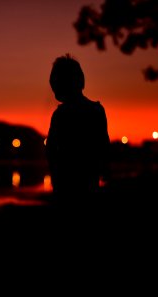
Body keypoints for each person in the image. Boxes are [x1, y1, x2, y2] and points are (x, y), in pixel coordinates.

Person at [45, 53, 110, 205]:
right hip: (89, 182)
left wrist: (55, 172)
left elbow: (51, 150)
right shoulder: (96, 110)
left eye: (55, 87)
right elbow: (104, 147)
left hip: (65, 183)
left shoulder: (60, 115)